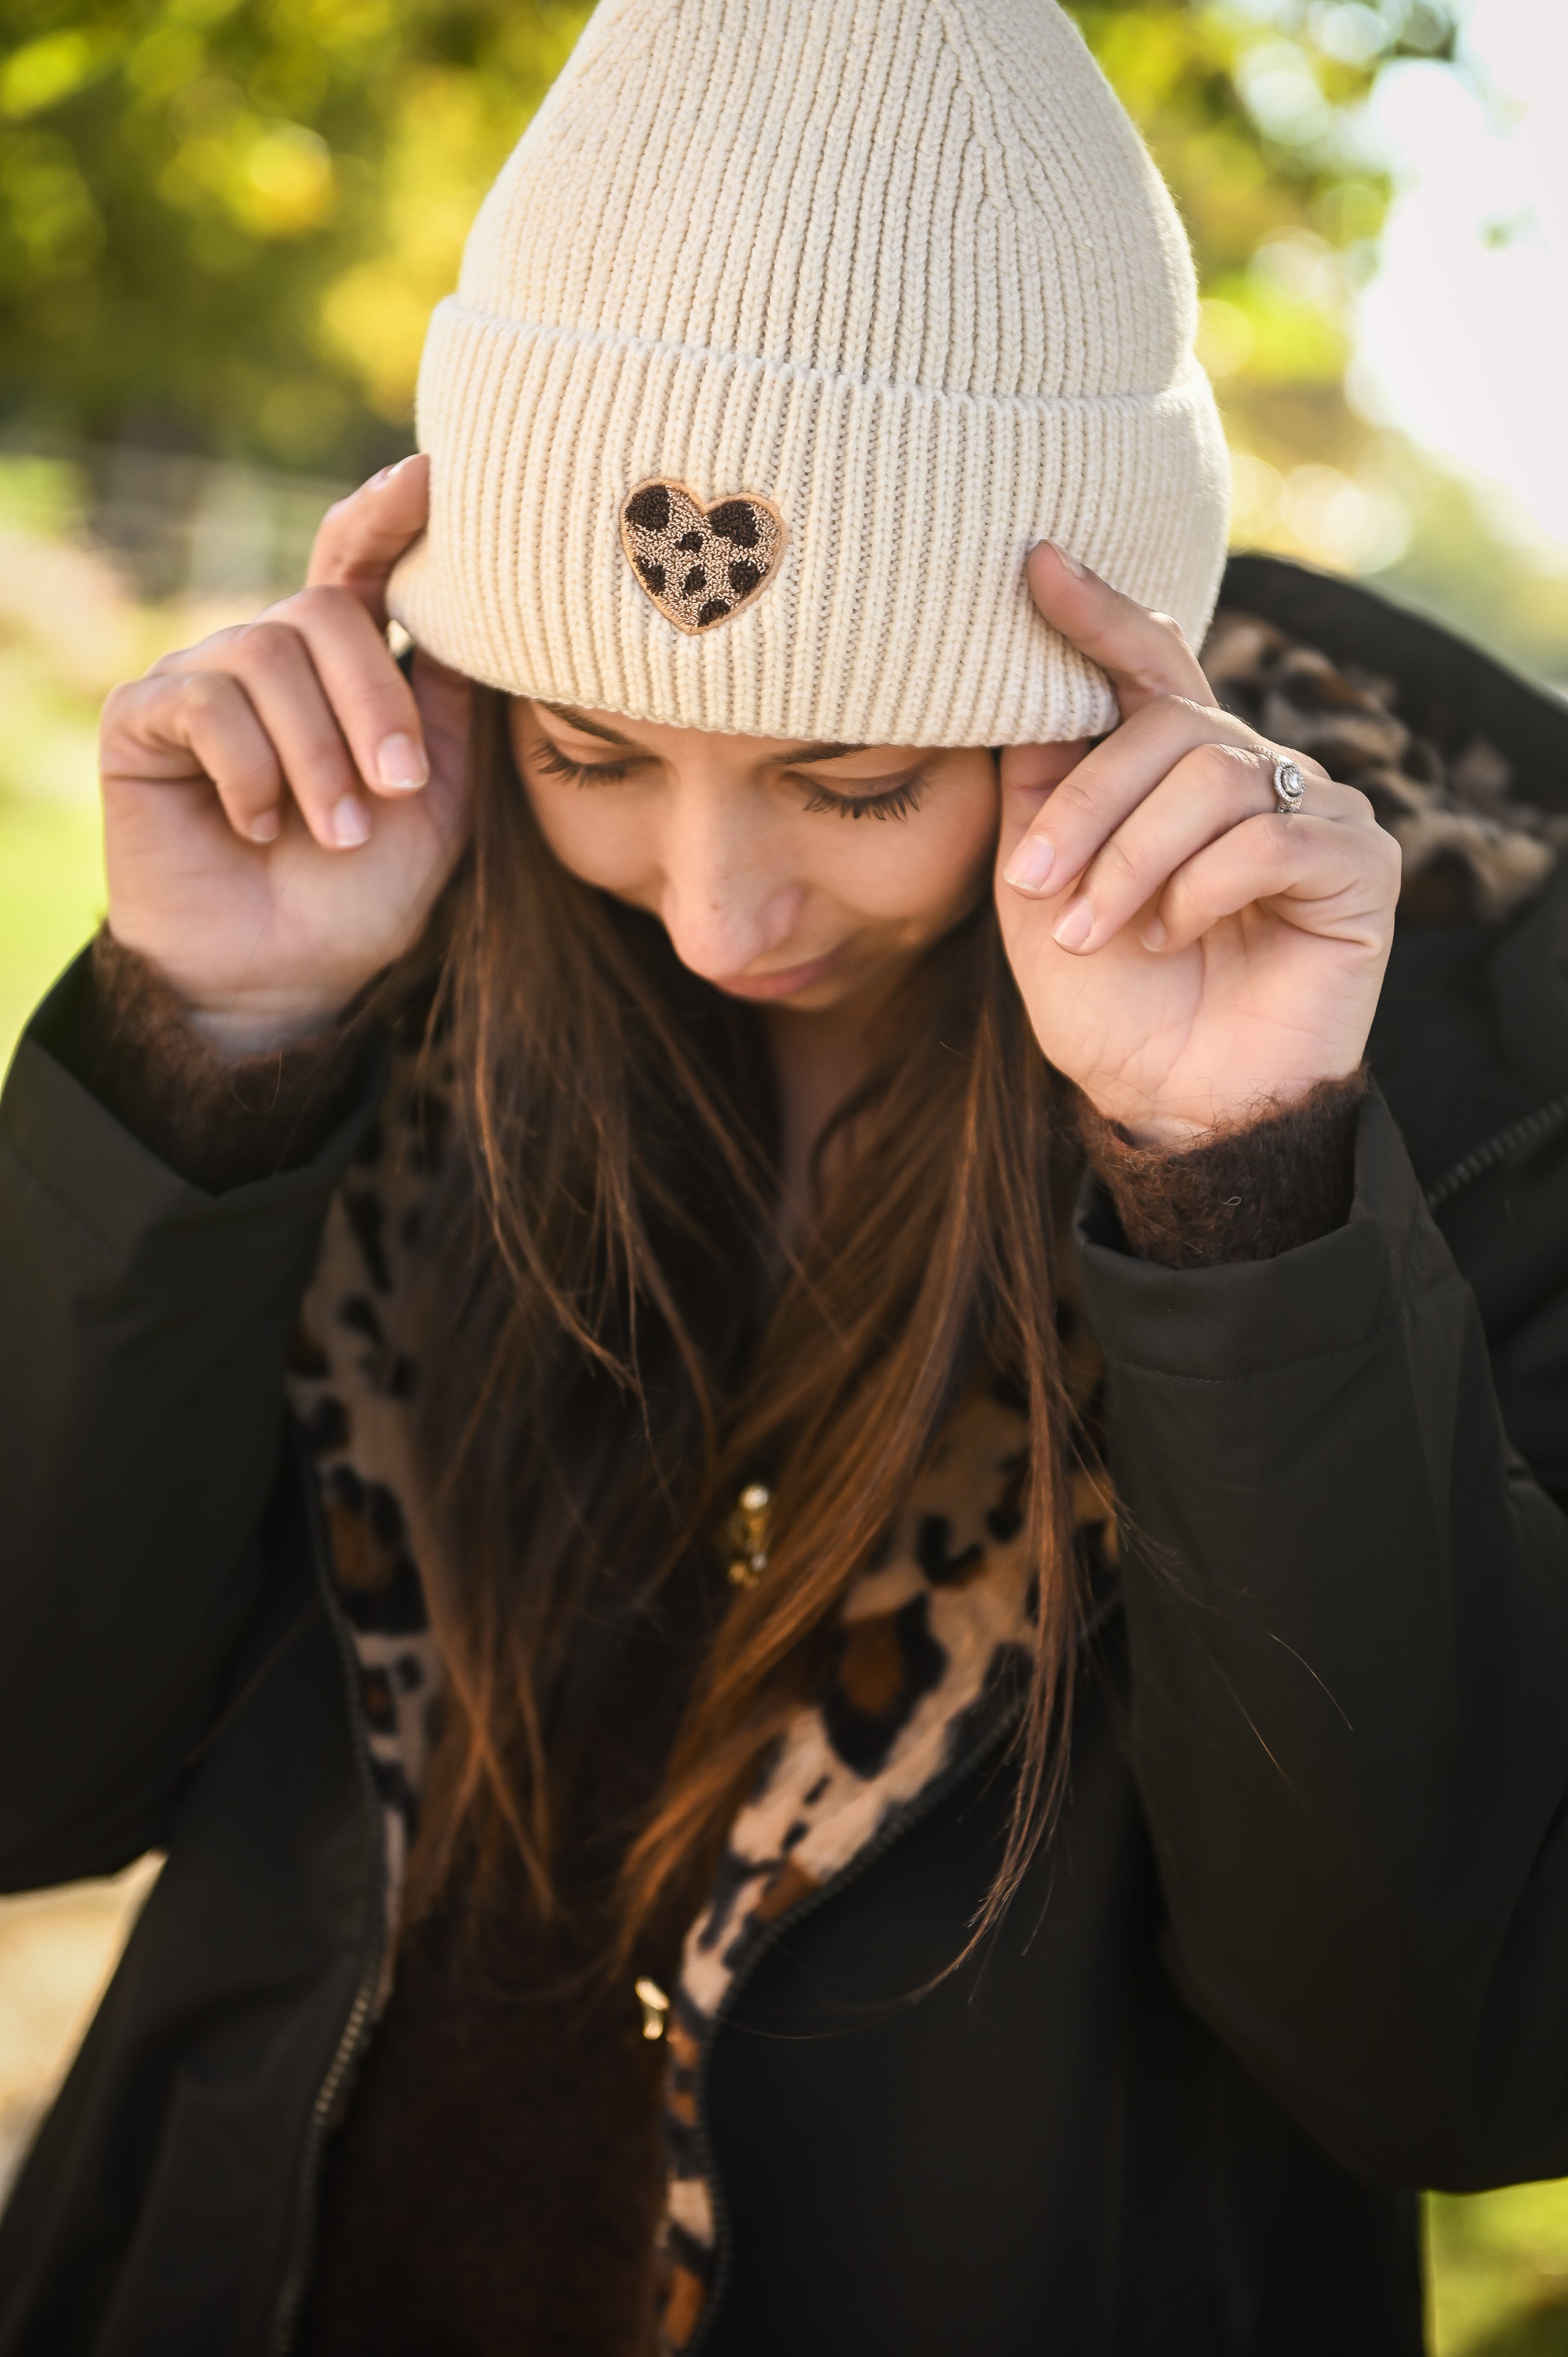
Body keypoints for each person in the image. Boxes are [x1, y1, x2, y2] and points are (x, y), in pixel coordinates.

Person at [4, 2, 1568, 2352]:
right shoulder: (387, 923)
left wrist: (1242, 1190)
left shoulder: (1454, 1068)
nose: (720, 913)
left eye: (852, 784)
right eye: (595, 748)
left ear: (1089, 699)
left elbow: (1445, 2047)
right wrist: (205, 1048)